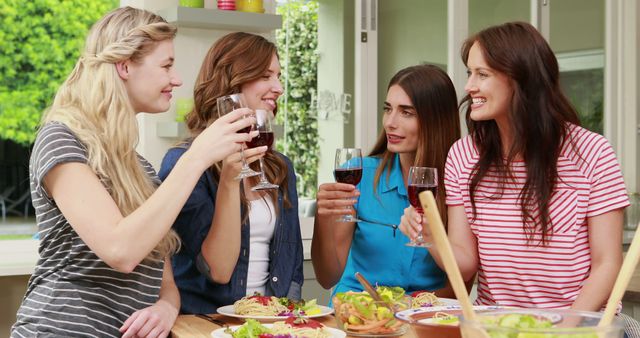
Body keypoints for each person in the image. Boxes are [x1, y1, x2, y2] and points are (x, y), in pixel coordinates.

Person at [11, 7, 256, 338]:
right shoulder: (62, 139)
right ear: (124, 66)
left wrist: (167, 307)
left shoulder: (140, 168)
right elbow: (120, 250)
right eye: (167, 65)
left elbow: (163, 279)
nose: (177, 79)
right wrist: (196, 157)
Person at [400, 21, 630, 312]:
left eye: (482, 74)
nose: (470, 86)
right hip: (497, 325)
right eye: (470, 73)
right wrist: (431, 237)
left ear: (521, 79)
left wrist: (566, 331)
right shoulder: (463, 155)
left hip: (580, 325)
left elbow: (607, 264)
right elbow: (465, 262)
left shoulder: (592, 152)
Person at [158, 32, 303, 314]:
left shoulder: (280, 167)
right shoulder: (185, 163)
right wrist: (229, 179)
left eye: (278, 75)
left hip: (270, 321)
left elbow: (292, 263)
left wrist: (290, 317)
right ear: (232, 80)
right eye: (265, 75)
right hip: (207, 321)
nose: (279, 87)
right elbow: (219, 271)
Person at [311, 64, 461, 299]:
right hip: (356, 314)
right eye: (388, 109)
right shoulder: (361, 175)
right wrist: (323, 218)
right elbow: (327, 276)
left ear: (436, 120)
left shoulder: (457, 185)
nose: (390, 122)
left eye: (406, 112)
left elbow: (461, 283)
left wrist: (409, 309)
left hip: (422, 320)